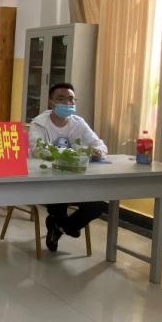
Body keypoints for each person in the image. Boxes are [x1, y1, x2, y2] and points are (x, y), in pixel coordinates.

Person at [29, 82, 108, 252]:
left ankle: (59, 226)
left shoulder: (78, 123)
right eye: (61, 99)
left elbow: (100, 145)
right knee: (58, 201)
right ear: (51, 101)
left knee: (99, 204)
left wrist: (97, 151)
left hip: (77, 181)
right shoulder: (39, 124)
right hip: (48, 181)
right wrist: (72, 153)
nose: (67, 103)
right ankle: (62, 224)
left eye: (71, 99)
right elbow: (37, 150)